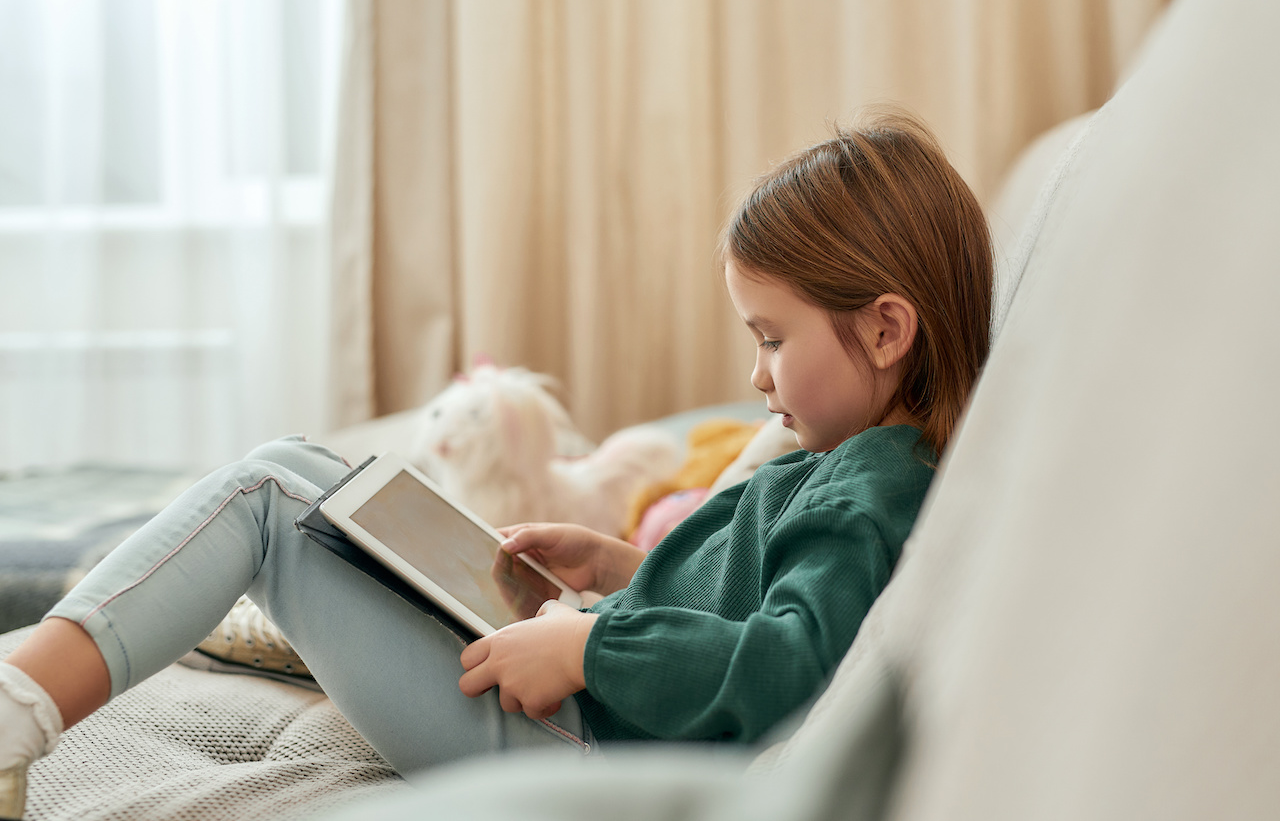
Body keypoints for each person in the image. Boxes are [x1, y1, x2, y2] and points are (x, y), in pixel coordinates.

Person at [0, 106, 993, 819]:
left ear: (885, 329)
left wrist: (585, 651)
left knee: (270, 495)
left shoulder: (872, 482)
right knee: (302, 474)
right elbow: (749, 595)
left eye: (772, 338)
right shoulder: (840, 461)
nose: (754, 369)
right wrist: (618, 569)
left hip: (579, 739)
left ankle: (16, 703)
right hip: (582, 699)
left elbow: (784, 659)